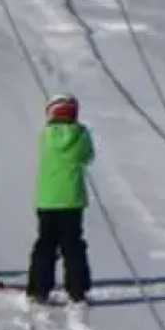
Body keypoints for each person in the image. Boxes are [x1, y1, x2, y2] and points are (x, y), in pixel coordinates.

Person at [27, 94, 94, 305]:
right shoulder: (81, 135)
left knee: (45, 245)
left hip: (47, 200)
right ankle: (77, 289)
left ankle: (39, 288)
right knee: (73, 246)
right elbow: (88, 156)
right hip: (72, 201)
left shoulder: (45, 136)